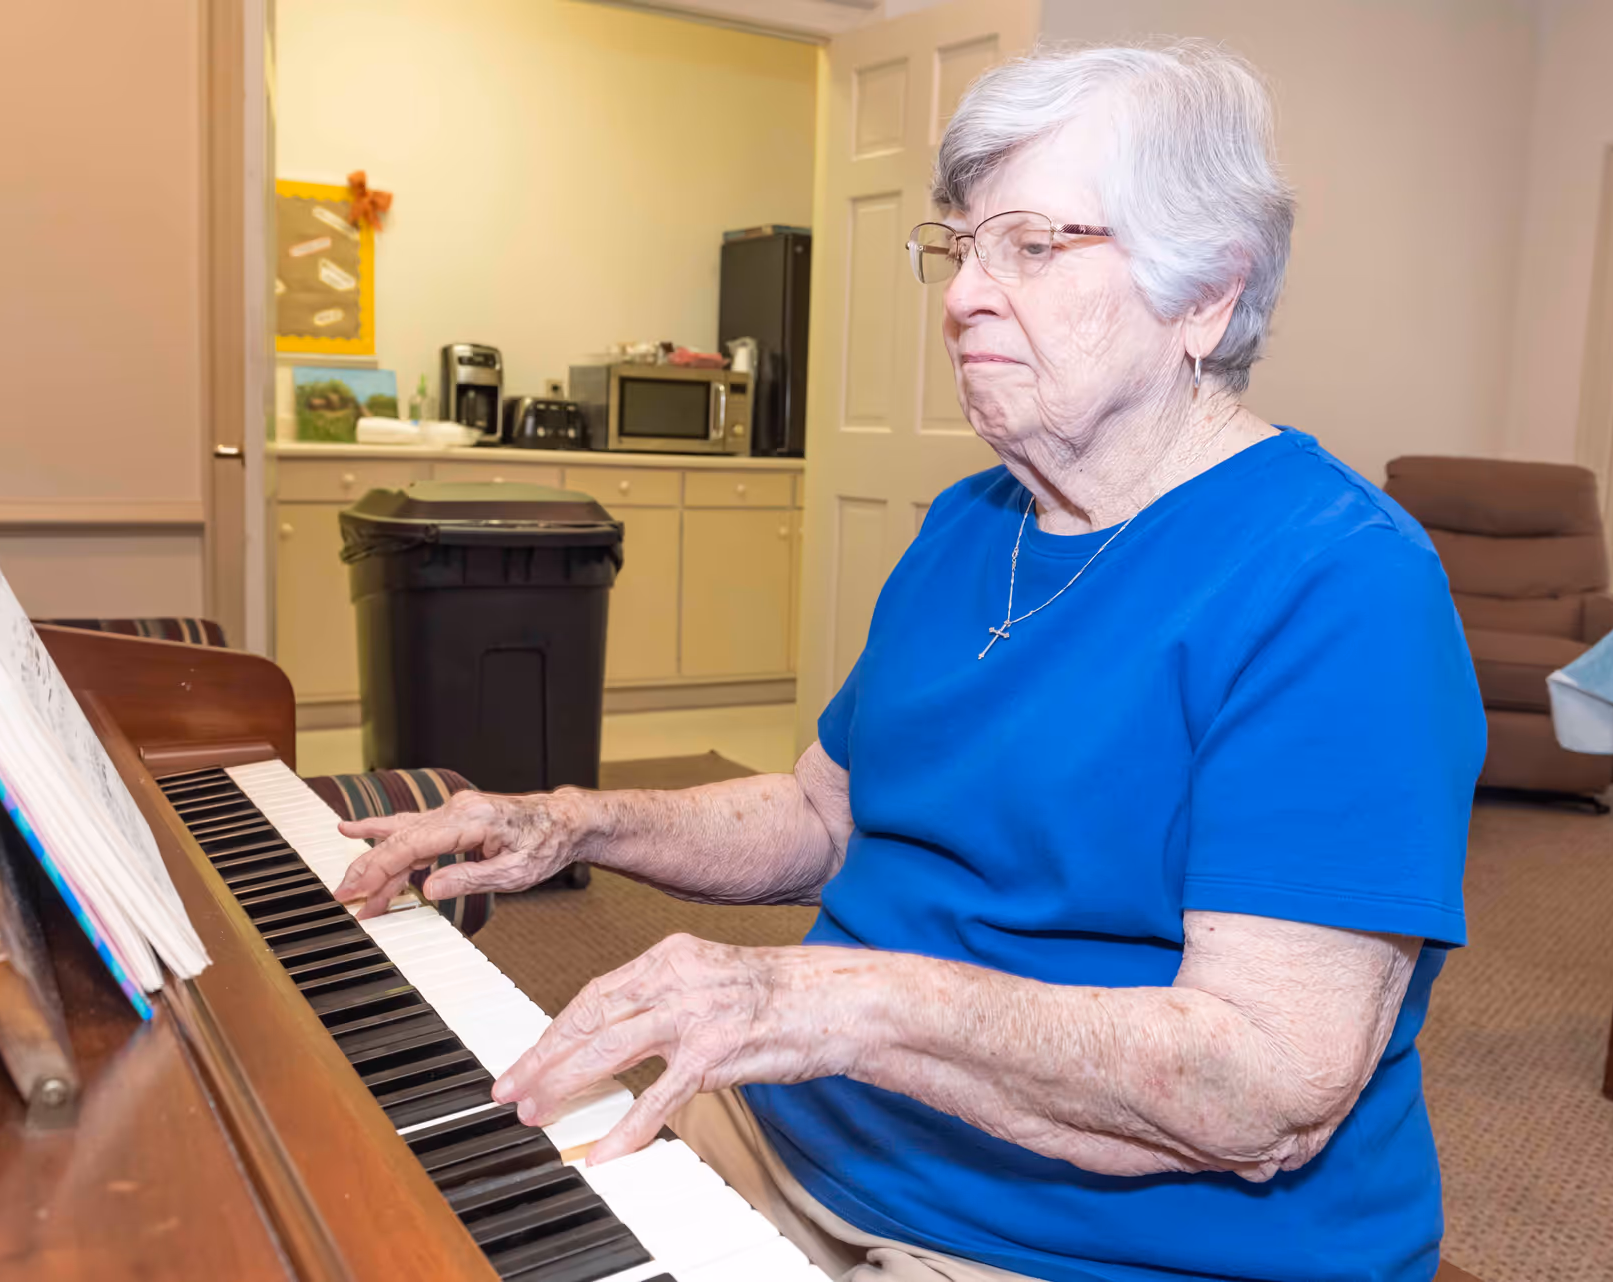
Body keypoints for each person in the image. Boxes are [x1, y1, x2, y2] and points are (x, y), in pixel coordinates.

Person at [335, 40, 1484, 1282]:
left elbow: (1266, 1085)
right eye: (960, 246)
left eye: (1031, 247)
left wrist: (828, 1003)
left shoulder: (1339, 583)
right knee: (398, 1207)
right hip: (797, 1128)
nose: (964, 295)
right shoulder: (969, 523)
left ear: (1206, 292)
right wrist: (574, 821)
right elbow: (823, 814)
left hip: (1089, 1249)